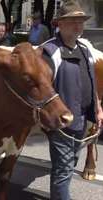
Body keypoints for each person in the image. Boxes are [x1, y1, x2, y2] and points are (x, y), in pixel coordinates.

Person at [41, 1, 103, 200]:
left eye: (81, 21)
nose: (78, 26)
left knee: (68, 165)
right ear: (59, 24)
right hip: (63, 126)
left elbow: (91, 82)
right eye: (72, 21)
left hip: (83, 120)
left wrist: (98, 108)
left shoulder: (84, 49)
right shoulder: (50, 52)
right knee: (63, 171)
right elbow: (42, 92)